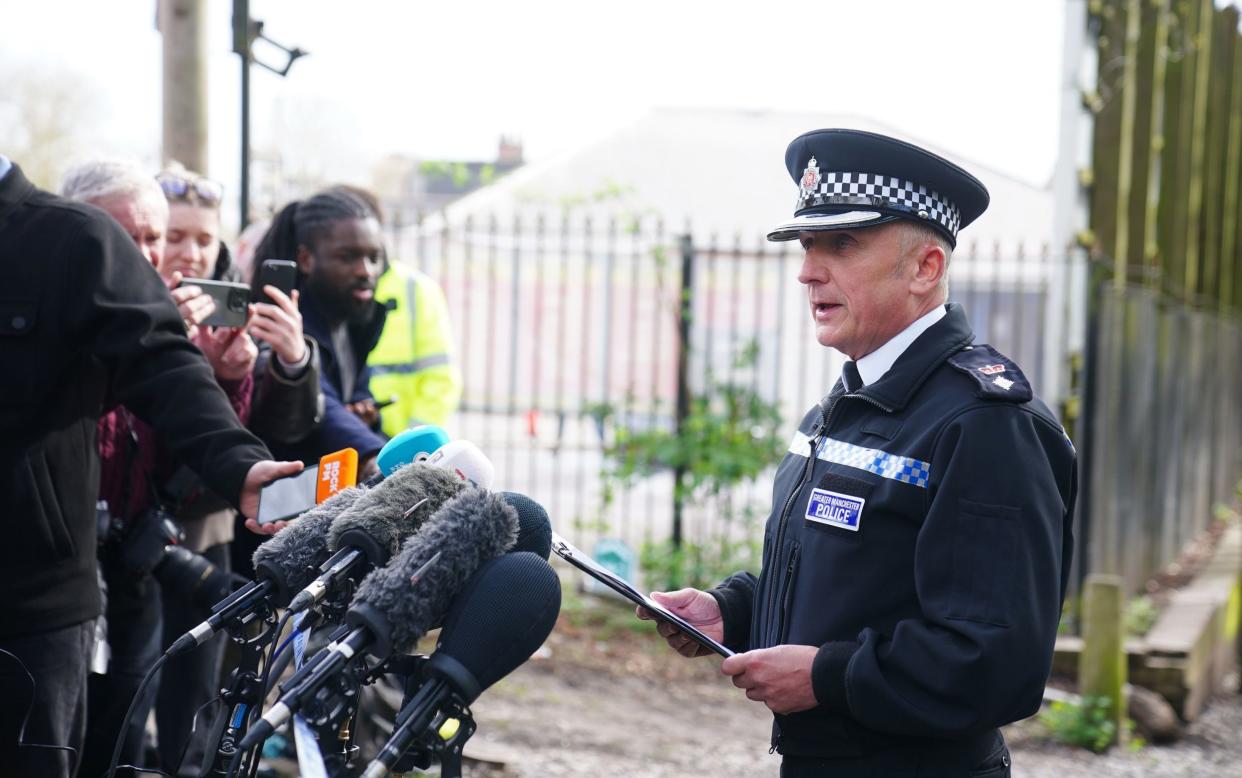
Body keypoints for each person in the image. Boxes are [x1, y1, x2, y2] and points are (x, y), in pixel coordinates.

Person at [641, 129, 1077, 777]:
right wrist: (732, 612)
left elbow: (997, 659)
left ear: (925, 268)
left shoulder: (984, 423)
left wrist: (829, 677)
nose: (809, 269)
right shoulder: (850, 400)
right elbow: (853, 586)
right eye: (808, 244)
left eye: (841, 244)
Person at [0, 154, 301, 778]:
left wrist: (238, 448)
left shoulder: (66, 240)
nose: (150, 254)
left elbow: (161, 371)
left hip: (42, 605)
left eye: (154, 238)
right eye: (129, 235)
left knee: (128, 738)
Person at [152, 163, 322, 775]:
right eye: (174, 236)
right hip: (128, 531)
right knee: (122, 685)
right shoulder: (122, 303)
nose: (190, 251)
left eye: (204, 238)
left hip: (209, 525)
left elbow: (275, 435)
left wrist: (291, 361)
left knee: (194, 694)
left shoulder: (233, 303)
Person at [250, 188, 390, 475]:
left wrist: (366, 414)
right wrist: (375, 457)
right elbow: (321, 403)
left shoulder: (353, 319)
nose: (366, 271)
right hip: (284, 500)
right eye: (348, 257)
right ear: (305, 259)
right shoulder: (284, 323)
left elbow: (356, 391)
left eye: (373, 257)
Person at [329, 185, 462, 434]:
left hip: (393, 444)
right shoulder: (326, 289)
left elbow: (441, 381)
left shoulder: (417, 289)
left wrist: (407, 445)